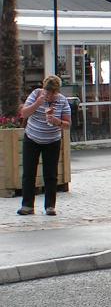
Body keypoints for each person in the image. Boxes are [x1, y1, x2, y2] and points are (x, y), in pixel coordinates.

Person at [17, 75, 72, 216]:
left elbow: (68, 124)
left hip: (52, 141)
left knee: (50, 174)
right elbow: (23, 113)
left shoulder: (62, 101)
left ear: (57, 91)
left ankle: (50, 206)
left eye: (52, 93)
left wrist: (57, 122)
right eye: (47, 91)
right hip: (32, 138)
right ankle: (27, 205)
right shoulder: (36, 94)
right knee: (29, 172)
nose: (49, 95)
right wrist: (37, 103)